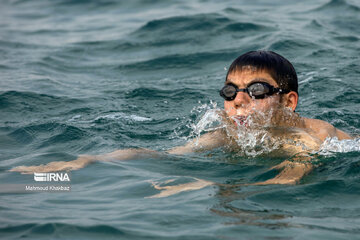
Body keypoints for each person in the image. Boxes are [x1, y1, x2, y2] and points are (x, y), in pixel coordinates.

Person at [10, 50, 352, 190]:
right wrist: (86, 160)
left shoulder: (310, 137)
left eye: (257, 90)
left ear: (288, 102)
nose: (239, 101)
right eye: (230, 91)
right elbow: (168, 154)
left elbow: (291, 177)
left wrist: (204, 184)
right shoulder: (228, 131)